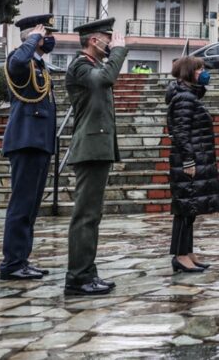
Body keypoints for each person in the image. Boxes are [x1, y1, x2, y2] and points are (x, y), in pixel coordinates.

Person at [64, 17, 128, 296]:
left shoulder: (93, 66)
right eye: (107, 37)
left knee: (93, 215)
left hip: (97, 149)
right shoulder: (80, 66)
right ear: (94, 40)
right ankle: (78, 277)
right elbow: (105, 80)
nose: (110, 42)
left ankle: (87, 272)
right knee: (85, 216)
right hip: (89, 149)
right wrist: (119, 51)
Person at [0, 14, 57, 281]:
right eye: (45, 35)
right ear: (31, 37)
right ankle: (11, 264)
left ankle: (21, 259)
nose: (49, 39)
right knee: (21, 205)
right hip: (25, 141)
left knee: (31, 207)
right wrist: (33, 37)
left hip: (39, 142)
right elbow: (19, 61)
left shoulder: (39, 65)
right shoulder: (18, 60)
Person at [165, 56, 219, 273]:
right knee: (185, 209)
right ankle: (180, 256)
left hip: (196, 157)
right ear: (189, 73)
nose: (204, 73)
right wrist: (188, 160)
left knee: (190, 209)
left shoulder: (189, 95)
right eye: (199, 70)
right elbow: (180, 132)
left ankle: (187, 252)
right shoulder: (184, 99)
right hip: (187, 161)